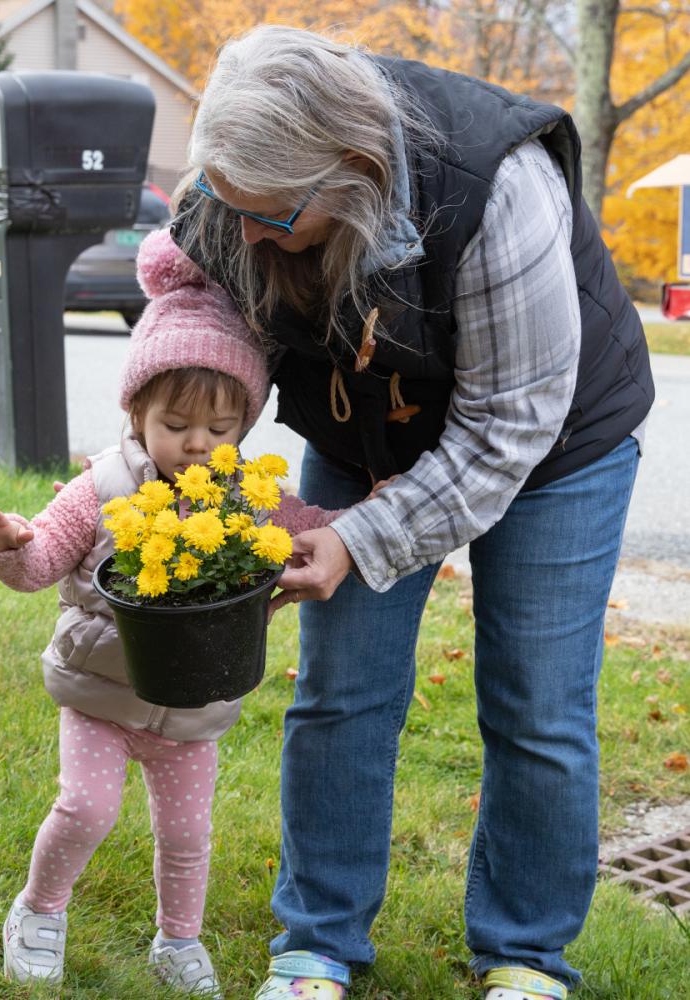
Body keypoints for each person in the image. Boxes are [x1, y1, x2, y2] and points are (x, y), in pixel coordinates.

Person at [169, 26, 653, 1000]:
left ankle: (525, 954)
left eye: (273, 215)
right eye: (234, 207)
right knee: (341, 684)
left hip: (554, 445)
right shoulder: (239, 186)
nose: (249, 232)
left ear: (348, 171)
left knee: (537, 702)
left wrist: (363, 538)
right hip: (365, 431)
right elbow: (214, 313)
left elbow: (507, 429)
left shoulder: (495, 189)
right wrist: (199, 442)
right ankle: (317, 944)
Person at [0, 230, 339, 994]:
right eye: (176, 427)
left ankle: (178, 941)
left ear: (243, 428)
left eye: (220, 431)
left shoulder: (248, 498)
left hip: (194, 706)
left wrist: (360, 522)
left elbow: (314, 531)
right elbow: (38, 568)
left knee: (188, 834)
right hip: (101, 694)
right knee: (86, 809)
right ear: (137, 412)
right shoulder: (99, 488)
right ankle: (38, 909)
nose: (197, 445)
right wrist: (7, 546)